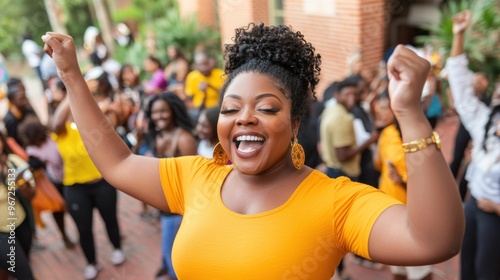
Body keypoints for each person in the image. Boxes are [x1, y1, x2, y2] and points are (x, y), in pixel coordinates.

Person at [41, 23, 464, 279]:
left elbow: (434, 241)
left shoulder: (335, 202)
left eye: (266, 108)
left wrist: (409, 112)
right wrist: (71, 77)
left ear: (296, 124)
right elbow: (117, 163)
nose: (244, 118)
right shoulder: (195, 177)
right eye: (231, 109)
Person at [49, 74, 125, 280]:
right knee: (84, 228)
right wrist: (74, 88)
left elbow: (113, 121)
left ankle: (117, 248)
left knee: (110, 219)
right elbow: (55, 122)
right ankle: (91, 263)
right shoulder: (63, 130)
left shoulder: (95, 121)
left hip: (102, 183)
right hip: (75, 188)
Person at [446, 10, 500, 280]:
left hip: (495, 214)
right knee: (466, 267)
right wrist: (459, 35)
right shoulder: (487, 123)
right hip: (474, 205)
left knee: (487, 272)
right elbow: (461, 87)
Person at [373, 92, 433, 280]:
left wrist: (403, 179)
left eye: (385, 108)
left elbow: (427, 181)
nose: (381, 112)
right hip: (389, 207)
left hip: (411, 211)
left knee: (418, 268)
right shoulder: (387, 132)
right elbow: (379, 163)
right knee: (397, 266)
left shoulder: (415, 138)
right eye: (380, 108)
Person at [138, 92, 197, 280]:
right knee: (167, 245)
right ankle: (165, 264)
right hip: (164, 203)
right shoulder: (158, 135)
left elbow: (192, 179)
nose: (158, 116)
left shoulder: (184, 139)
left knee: (175, 256)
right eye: (154, 112)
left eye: (163, 111)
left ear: (173, 111)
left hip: (178, 208)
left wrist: (164, 156)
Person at [0, 132, 35, 280]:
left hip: (22, 224)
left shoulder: (13, 162)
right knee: (24, 274)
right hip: (2, 233)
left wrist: (24, 186)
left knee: (21, 262)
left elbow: (32, 194)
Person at [184, 52, 225, 121]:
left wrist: (210, 86)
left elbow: (225, 94)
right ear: (196, 66)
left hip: (217, 109)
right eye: (201, 65)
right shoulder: (192, 77)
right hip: (199, 110)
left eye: (206, 64)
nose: (205, 68)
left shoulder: (220, 74)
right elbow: (188, 99)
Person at [3, 77, 39, 147]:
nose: (26, 101)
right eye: (21, 99)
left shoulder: (27, 108)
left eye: (25, 97)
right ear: (12, 100)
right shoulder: (10, 121)